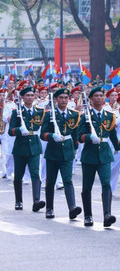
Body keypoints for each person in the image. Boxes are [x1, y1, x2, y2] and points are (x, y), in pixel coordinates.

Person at [78, 85, 119, 228]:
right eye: (96, 96)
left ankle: (107, 214)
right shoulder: (85, 116)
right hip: (90, 155)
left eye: (101, 96)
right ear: (90, 99)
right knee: (87, 186)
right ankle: (88, 215)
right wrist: (89, 137)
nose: (99, 98)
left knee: (106, 183)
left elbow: (113, 135)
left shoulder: (109, 116)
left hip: (105, 155)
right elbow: (80, 137)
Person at [39, 86, 82, 220]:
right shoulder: (49, 114)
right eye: (61, 98)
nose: (64, 100)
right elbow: (43, 134)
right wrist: (52, 136)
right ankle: (50, 209)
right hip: (53, 152)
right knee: (50, 181)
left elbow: (75, 133)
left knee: (67, 180)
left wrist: (74, 148)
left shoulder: (74, 114)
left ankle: (72, 208)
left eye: (66, 98)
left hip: (68, 152)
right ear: (56, 99)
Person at [8, 83, 45, 212]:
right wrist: (19, 130)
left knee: (36, 174)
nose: (30, 97)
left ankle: (36, 201)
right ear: (22, 97)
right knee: (19, 175)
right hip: (20, 147)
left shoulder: (39, 112)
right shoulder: (17, 112)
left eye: (32, 95)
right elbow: (10, 131)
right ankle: (18, 201)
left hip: (34, 146)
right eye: (27, 95)